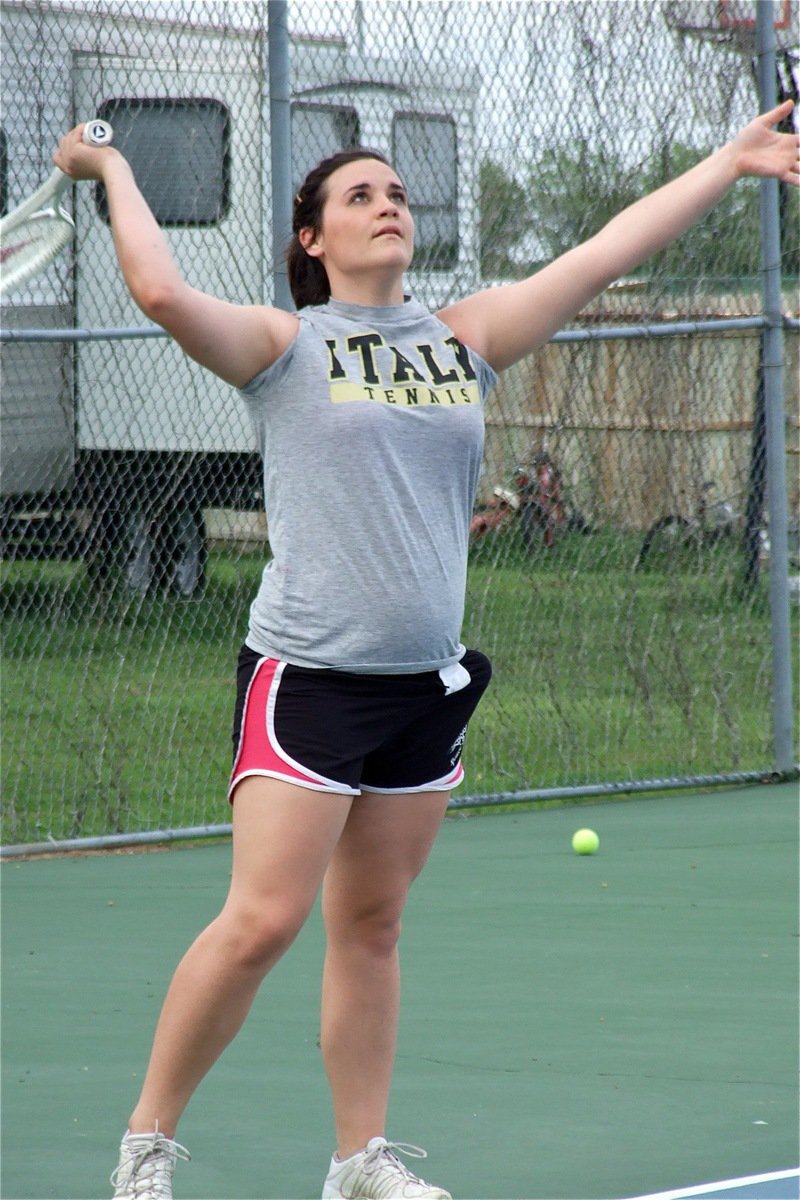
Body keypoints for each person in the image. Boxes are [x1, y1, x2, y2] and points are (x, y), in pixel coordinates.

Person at [53, 99, 799, 1200]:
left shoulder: (464, 337)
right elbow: (160, 291)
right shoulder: (283, 347)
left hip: (422, 686)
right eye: (359, 195)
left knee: (371, 925)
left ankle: (359, 1160)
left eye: (396, 191)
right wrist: (106, 165)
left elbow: (601, 255)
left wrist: (728, 163)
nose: (386, 203)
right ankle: (146, 1147)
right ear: (312, 241)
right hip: (308, 677)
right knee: (262, 920)